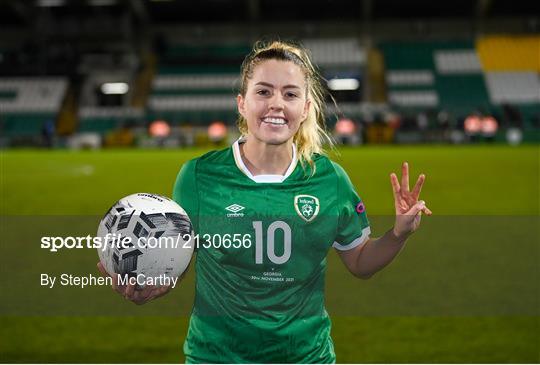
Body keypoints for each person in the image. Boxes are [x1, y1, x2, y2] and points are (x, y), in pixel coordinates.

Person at [98, 39, 431, 363]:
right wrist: (155, 283)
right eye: (263, 91)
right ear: (242, 103)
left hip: (305, 357)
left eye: (290, 94)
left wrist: (399, 233)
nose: (276, 104)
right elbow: (180, 257)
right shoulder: (198, 176)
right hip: (215, 357)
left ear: (305, 109)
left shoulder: (329, 179)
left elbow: (359, 261)